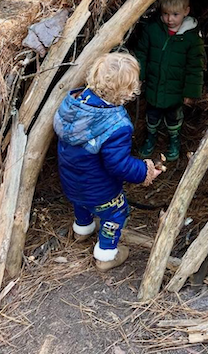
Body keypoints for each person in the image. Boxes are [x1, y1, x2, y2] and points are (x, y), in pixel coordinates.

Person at [53, 52, 161, 272]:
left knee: (81, 202)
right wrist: (144, 170)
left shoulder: (74, 104)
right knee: (115, 213)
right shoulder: (115, 125)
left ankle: (82, 230)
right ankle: (106, 254)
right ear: (128, 91)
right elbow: (118, 164)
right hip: (100, 190)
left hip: (71, 181)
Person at [135, 0, 205, 162]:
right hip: (154, 85)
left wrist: (191, 93)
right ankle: (151, 138)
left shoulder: (191, 38)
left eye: (175, 14)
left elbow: (195, 67)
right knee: (152, 116)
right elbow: (141, 53)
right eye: (166, 14)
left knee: (174, 119)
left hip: (176, 90)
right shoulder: (153, 30)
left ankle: (174, 141)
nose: (169, 19)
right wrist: (139, 77)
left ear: (186, 12)